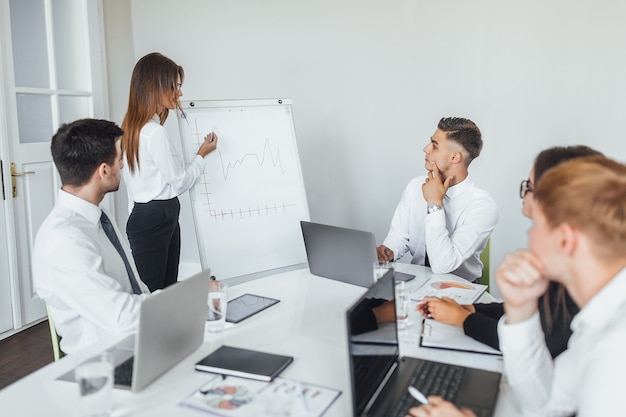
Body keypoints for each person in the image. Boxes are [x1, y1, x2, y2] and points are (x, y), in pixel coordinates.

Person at [409, 155, 626, 416]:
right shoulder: (597, 320)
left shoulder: (616, 349)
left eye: (538, 225)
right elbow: (547, 405)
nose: (529, 234)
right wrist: (521, 310)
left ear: (565, 240)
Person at [416, 145, 602, 358]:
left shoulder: (483, 205)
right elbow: (536, 311)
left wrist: (463, 319)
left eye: (530, 187)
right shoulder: (570, 260)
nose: (523, 192)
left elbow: (540, 343)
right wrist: (470, 309)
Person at [33, 119, 151, 355]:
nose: (123, 166)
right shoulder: (64, 240)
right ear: (104, 171)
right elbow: (121, 316)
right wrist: (186, 301)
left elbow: (134, 289)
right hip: (106, 362)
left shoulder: (98, 216)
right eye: (120, 159)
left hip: (139, 339)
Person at [121, 52, 218, 292]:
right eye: (175, 86)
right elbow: (179, 181)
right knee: (157, 294)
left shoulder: (132, 129)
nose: (180, 93)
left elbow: (135, 189)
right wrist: (201, 156)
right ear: (155, 87)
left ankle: (166, 330)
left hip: (147, 214)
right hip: (157, 216)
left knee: (159, 291)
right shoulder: (154, 133)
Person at [377, 117, 498, 282]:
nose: (425, 149)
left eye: (434, 145)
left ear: (455, 158)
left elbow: (442, 265)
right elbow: (399, 236)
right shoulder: (415, 186)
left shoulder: (482, 206)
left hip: (459, 290)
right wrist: (389, 251)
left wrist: (434, 204)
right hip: (416, 282)